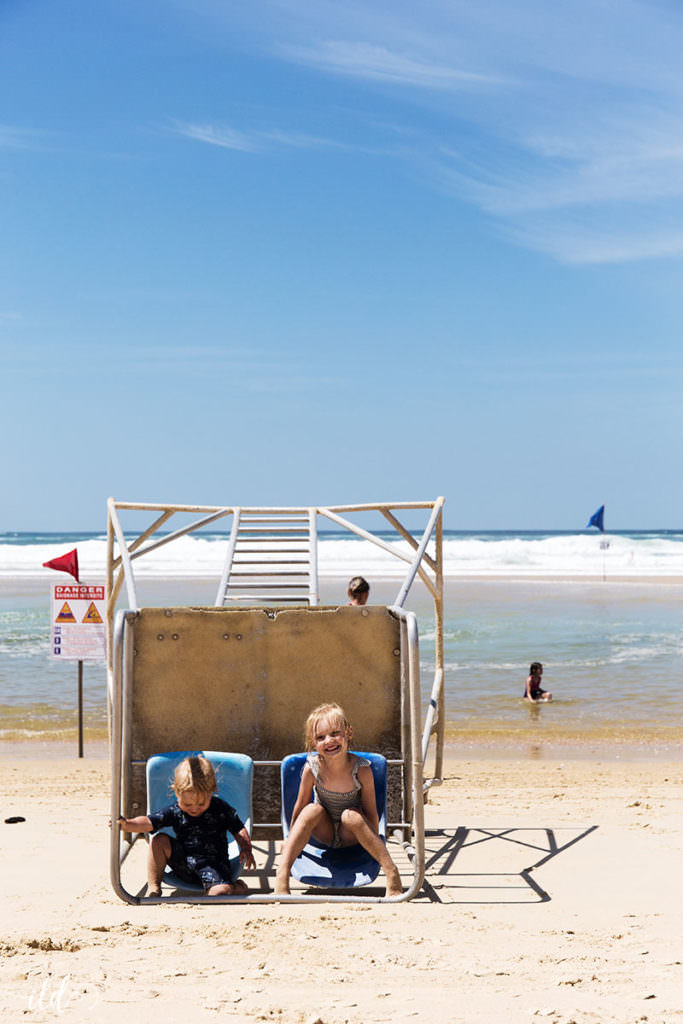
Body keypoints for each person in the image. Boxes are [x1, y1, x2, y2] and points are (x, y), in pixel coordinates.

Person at [275, 702, 402, 898]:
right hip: (323, 833)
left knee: (350, 815)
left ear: (349, 733)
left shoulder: (361, 770)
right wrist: (288, 838)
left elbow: (372, 812)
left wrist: (375, 844)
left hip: (351, 834)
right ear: (313, 742)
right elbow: (299, 808)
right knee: (311, 809)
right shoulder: (312, 769)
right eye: (320, 737)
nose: (329, 741)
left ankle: (391, 872)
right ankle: (282, 873)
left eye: (335, 733)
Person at [115, 754, 255, 896]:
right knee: (159, 840)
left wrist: (246, 848)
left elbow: (238, 827)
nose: (194, 808)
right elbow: (148, 822)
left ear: (211, 791)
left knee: (219, 893)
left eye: (201, 803)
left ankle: (234, 887)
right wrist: (127, 824)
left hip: (213, 866)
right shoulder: (175, 811)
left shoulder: (219, 808)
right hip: (183, 863)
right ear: (176, 792)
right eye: (188, 804)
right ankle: (154, 886)